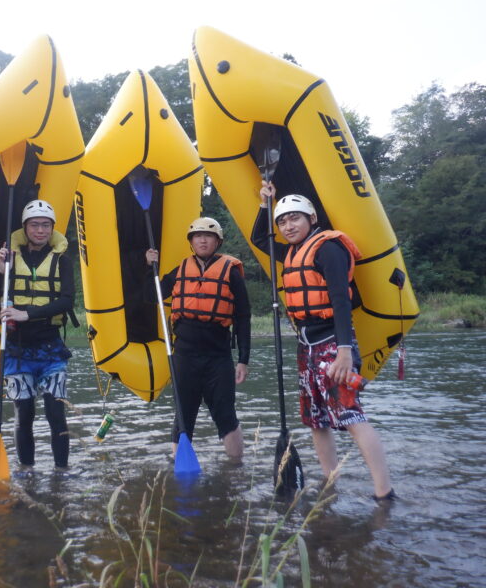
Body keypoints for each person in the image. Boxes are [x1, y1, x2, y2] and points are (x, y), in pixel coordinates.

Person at [252, 182, 395, 501]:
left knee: (351, 414)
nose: (288, 226)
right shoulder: (289, 251)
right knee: (316, 418)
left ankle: (384, 492)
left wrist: (345, 351)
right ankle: (331, 482)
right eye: (283, 221)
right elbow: (258, 238)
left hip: (334, 342)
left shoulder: (329, 247)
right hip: (307, 345)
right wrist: (265, 204)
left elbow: (340, 300)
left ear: (312, 218)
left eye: (295, 219)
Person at [145, 217, 251, 460]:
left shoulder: (231, 271)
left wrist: (243, 359)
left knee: (226, 414)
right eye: (198, 236)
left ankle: (236, 471)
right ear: (191, 242)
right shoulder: (181, 270)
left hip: (218, 356)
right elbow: (152, 296)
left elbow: (243, 316)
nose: (203, 239)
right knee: (183, 414)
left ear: (218, 241)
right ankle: (180, 470)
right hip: (185, 354)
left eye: (209, 236)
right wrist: (148, 267)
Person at [0, 199, 76, 472]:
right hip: (17, 350)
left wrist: (28, 313)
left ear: (52, 229)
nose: (40, 230)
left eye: (45, 225)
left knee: (55, 414)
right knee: (24, 416)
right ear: (25, 228)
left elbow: (67, 301)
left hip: (50, 349)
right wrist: (0, 272)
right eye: (34, 225)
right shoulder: (9, 259)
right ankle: (27, 470)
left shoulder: (62, 260)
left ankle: (61, 471)